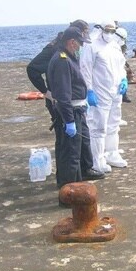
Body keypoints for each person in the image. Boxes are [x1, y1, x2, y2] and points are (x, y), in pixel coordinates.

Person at [47, 27, 99, 189]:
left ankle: (78, 180)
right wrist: (69, 120)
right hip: (70, 113)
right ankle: (69, 192)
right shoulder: (63, 61)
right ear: (71, 42)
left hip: (78, 109)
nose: (81, 47)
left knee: (78, 150)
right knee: (70, 154)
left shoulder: (69, 58)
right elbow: (63, 95)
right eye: (79, 43)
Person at [80, 20, 128, 173]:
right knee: (98, 127)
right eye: (107, 30)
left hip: (115, 90)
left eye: (112, 31)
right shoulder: (92, 45)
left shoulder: (114, 45)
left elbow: (121, 65)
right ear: (100, 29)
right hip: (100, 91)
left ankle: (112, 153)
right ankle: (98, 160)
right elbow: (85, 68)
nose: (109, 34)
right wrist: (89, 90)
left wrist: (124, 79)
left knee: (114, 124)